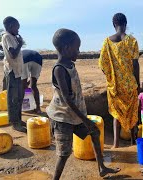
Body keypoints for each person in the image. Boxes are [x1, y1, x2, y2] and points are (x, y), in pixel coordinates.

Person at [46, 28, 120, 180]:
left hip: (75, 115)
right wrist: (85, 119)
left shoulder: (70, 65)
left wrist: (83, 117)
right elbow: (67, 99)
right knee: (64, 153)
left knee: (95, 132)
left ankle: (102, 168)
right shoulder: (59, 69)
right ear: (66, 48)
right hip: (62, 118)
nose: (79, 51)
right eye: (77, 48)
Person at [99, 13, 140, 148]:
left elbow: (103, 64)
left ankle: (116, 143)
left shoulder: (107, 42)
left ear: (113, 24)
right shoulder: (132, 41)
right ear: (126, 24)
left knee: (116, 113)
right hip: (130, 84)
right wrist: (137, 83)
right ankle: (134, 142)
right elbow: (135, 64)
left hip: (115, 86)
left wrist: (111, 77)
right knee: (133, 113)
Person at [1, 16, 26, 133]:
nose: (18, 30)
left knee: (19, 97)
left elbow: (3, 48)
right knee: (13, 98)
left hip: (17, 71)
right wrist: (20, 44)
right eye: (17, 28)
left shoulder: (11, 37)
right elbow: (13, 55)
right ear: (11, 26)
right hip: (12, 71)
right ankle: (15, 123)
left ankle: (18, 119)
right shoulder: (7, 36)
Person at [21, 49, 43, 113]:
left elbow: (21, 81)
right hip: (38, 58)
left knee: (22, 87)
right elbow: (31, 79)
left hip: (24, 59)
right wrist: (27, 83)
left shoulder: (17, 54)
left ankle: (19, 108)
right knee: (33, 85)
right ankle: (38, 109)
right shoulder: (23, 51)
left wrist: (24, 84)